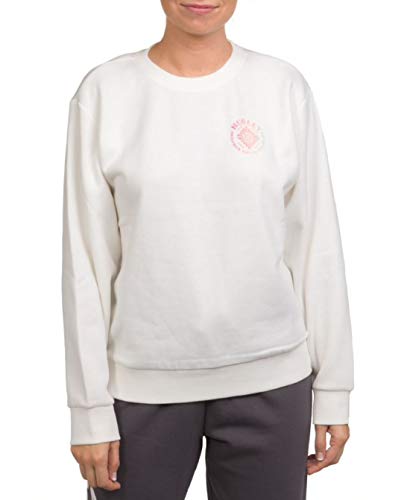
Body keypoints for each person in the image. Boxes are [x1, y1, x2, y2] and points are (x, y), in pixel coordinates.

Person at [61, 1, 354, 499]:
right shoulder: (105, 92)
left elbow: (316, 246)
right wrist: (89, 410)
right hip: (140, 389)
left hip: (272, 383)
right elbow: (85, 263)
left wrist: (333, 388)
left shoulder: (281, 87)